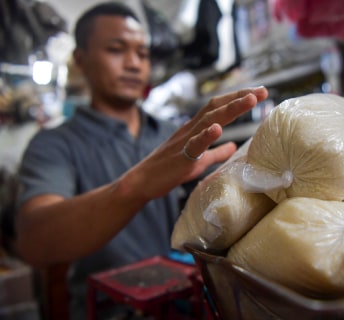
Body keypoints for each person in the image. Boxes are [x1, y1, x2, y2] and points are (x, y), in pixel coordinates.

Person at [13, 1, 268, 318]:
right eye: (117, 50)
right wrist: (135, 186)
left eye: (142, 54)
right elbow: (34, 240)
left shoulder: (172, 136)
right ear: (81, 60)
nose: (134, 64)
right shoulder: (55, 144)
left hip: (182, 304)